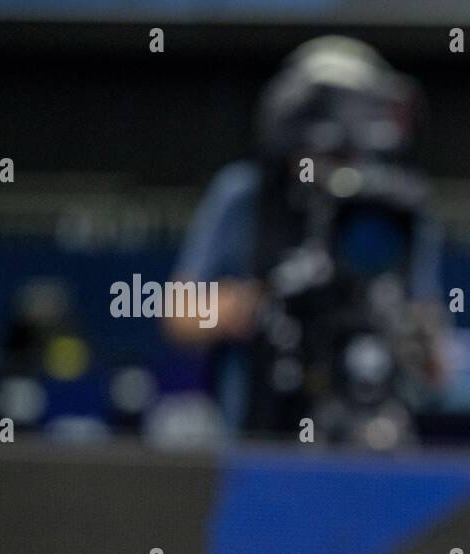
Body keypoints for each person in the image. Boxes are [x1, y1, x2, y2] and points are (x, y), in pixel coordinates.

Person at [163, 35, 449, 444]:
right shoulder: (244, 194)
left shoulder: (396, 207)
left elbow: (435, 363)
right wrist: (263, 301)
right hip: (257, 432)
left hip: (371, 435)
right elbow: (180, 315)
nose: (334, 169)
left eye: (349, 154)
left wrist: (404, 329)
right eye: (324, 152)